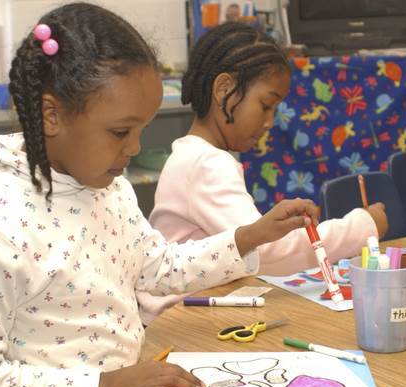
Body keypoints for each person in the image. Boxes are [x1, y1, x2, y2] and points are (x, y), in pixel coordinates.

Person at [0, 4, 318, 387]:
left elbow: (158, 268)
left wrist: (249, 237)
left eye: (142, 130)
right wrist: (105, 386)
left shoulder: (109, 189)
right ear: (51, 115)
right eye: (121, 132)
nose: (135, 148)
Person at [142, 22, 388, 322]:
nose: (270, 121)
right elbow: (269, 253)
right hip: (182, 321)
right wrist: (363, 226)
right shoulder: (206, 165)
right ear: (224, 90)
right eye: (265, 105)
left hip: (198, 310)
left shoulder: (194, 156)